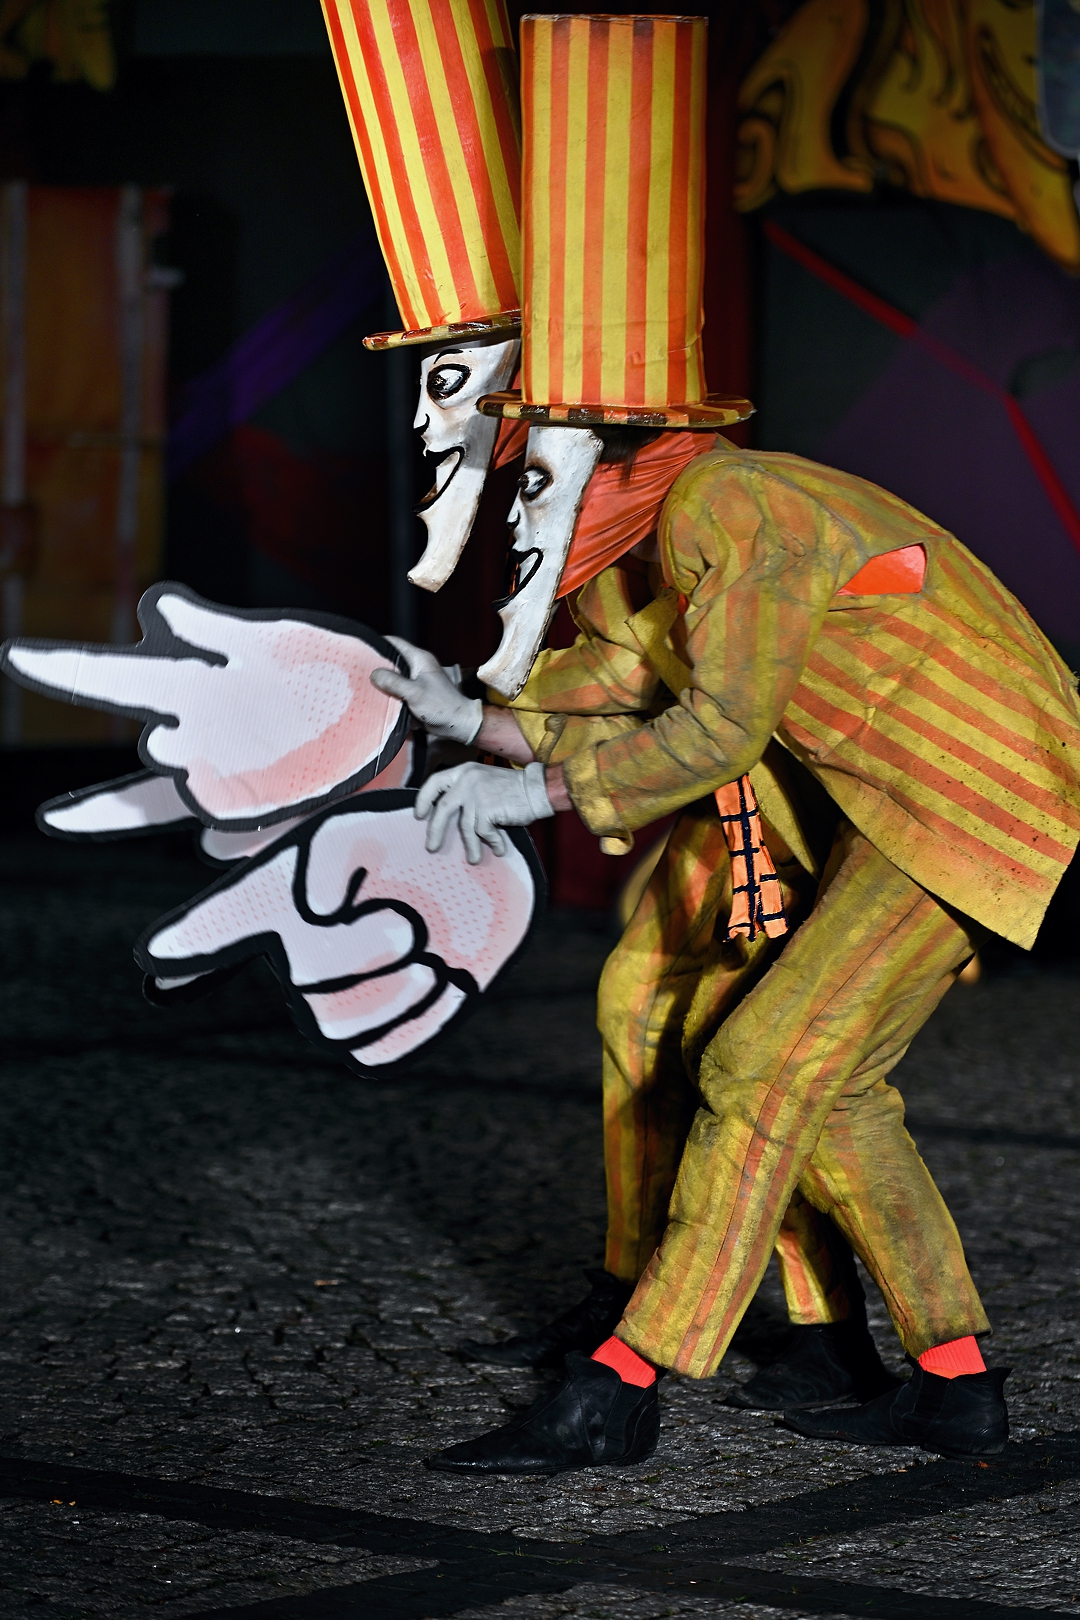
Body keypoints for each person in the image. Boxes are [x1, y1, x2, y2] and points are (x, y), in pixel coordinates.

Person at [372, 13, 1080, 1471]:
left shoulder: (732, 508)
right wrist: (471, 720)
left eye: (528, 454)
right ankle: (955, 1377)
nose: (513, 488)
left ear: (603, 442)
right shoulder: (685, 528)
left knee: (755, 1066)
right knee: (820, 1078)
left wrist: (538, 790)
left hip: (975, 810)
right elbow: (636, 665)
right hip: (900, 813)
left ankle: (621, 1387)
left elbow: (716, 722)